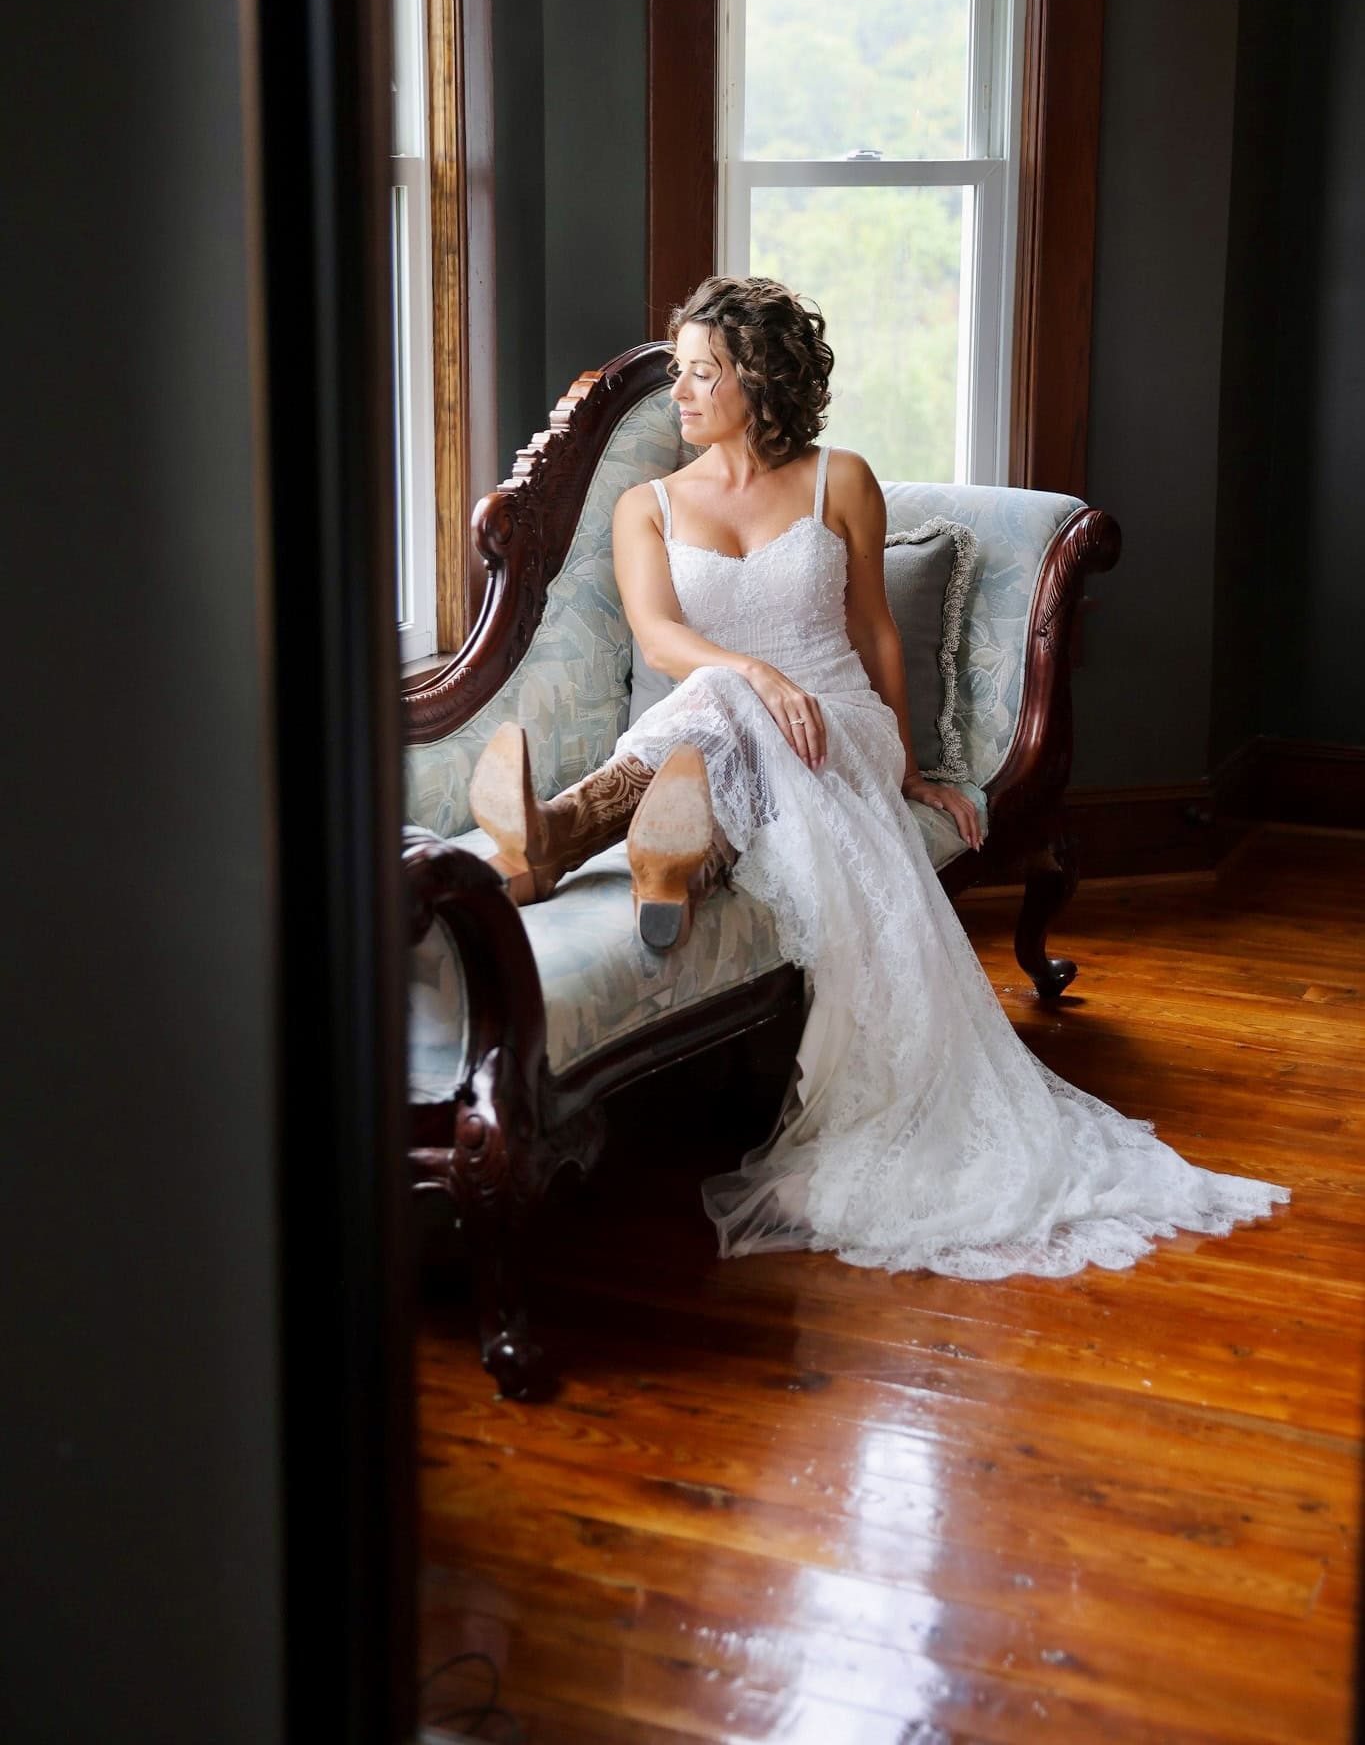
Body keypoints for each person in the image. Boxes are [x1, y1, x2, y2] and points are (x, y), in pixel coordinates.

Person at [468, 275, 1289, 1277]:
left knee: (716, 718)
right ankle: (643, 847)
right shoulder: (648, 504)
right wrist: (757, 673)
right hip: (721, 713)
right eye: (678, 374)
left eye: (697, 375)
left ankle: (582, 836)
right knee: (719, 710)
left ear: (757, 380)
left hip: (833, 723)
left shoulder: (839, 479)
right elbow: (660, 632)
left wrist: (905, 762)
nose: (677, 396)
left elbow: (876, 633)